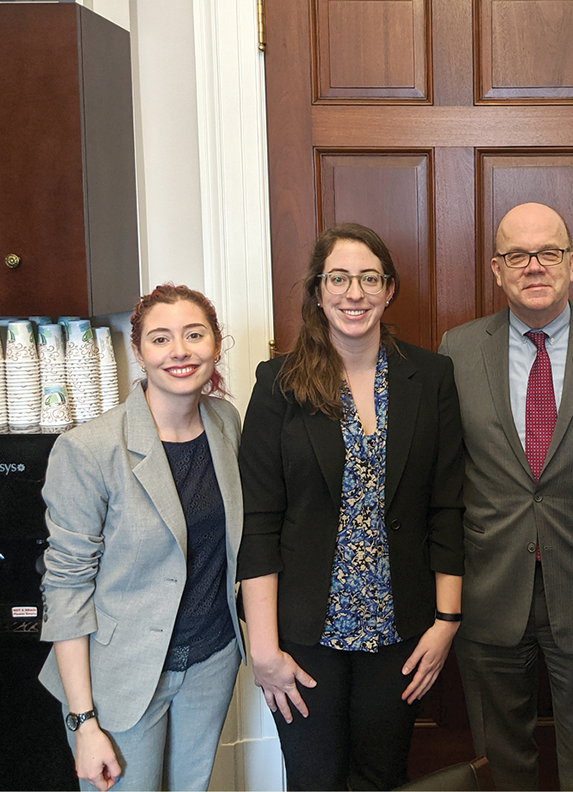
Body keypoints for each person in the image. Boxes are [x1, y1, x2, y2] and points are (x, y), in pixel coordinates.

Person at [237, 223, 465, 791]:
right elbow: (258, 524)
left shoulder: (430, 377)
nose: (353, 293)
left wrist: (446, 622)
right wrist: (263, 649)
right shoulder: (278, 384)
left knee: (381, 779)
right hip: (306, 635)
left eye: (369, 278)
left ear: (389, 291)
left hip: (401, 631)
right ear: (318, 291)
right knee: (314, 781)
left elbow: (447, 506)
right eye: (338, 278)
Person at [439, 202, 573, 791]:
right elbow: (447, 473)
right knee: (499, 759)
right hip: (488, 583)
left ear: (572, 263)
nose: (534, 266)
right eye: (516, 255)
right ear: (496, 270)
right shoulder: (458, 350)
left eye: (549, 252)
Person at [39, 284, 245, 792]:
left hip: (211, 661)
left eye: (194, 334)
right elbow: (65, 588)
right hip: (119, 677)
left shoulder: (226, 423)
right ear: (139, 352)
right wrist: (83, 721)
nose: (179, 350)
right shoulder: (87, 450)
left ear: (216, 344)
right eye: (160, 338)